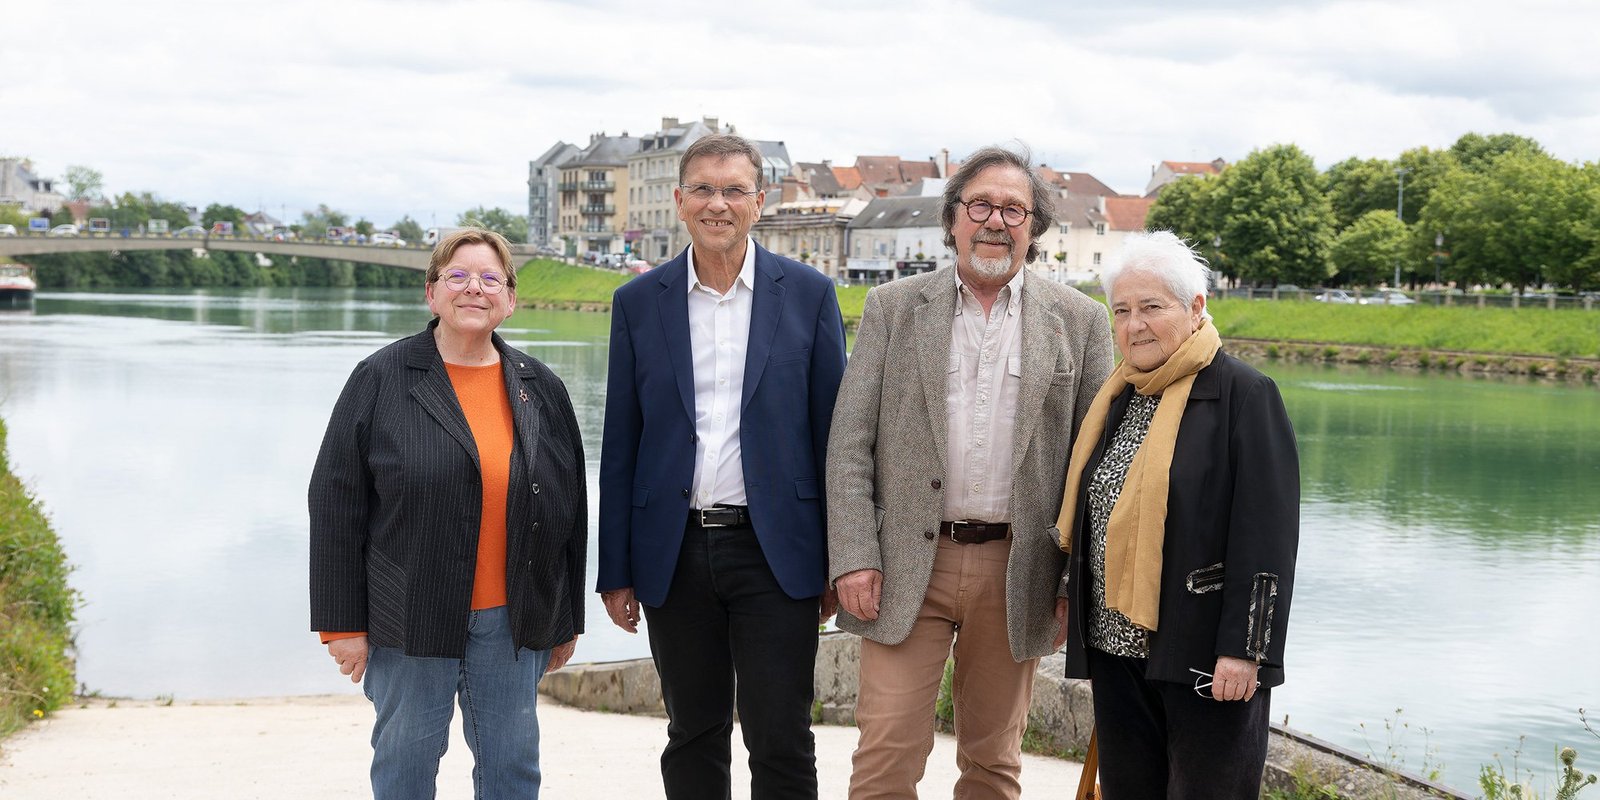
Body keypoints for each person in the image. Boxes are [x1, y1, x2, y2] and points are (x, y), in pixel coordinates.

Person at [826, 145, 1114, 799]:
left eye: (1014, 209)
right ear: (953, 217)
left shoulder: (1081, 321)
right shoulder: (893, 310)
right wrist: (852, 557)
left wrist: (1075, 581)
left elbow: (1096, 468)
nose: (996, 220)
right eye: (980, 204)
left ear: (1033, 227)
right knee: (885, 758)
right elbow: (849, 444)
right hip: (902, 566)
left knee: (992, 762)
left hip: (1020, 572)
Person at [597, 133, 848, 799]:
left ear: (759, 202)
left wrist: (838, 557)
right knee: (693, 732)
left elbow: (835, 441)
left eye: (734, 189)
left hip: (777, 553)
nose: (718, 203)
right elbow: (621, 443)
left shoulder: (809, 295)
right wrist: (615, 569)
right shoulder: (637, 302)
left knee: (781, 735)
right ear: (678, 202)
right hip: (672, 552)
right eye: (703, 189)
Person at [309, 227, 585, 799]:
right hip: (407, 616)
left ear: (509, 299)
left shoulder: (542, 388)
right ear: (430, 292)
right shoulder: (381, 379)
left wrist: (563, 619)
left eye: (490, 278)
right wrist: (342, 625)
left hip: (512, 621)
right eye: (457, 276)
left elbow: (569, 511)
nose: (473, 290)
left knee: (512, 769)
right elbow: (336, 503)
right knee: (405, 770)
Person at [1055, 230, 1300, 798]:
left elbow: (1267, 538)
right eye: (1122, 310)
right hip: (1117, 652)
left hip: (1204, 657)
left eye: (1151, 307)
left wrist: (1247, 651)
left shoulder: (1245, 394)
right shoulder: (1119, 397)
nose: (1134, 324)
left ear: (1195, 308)